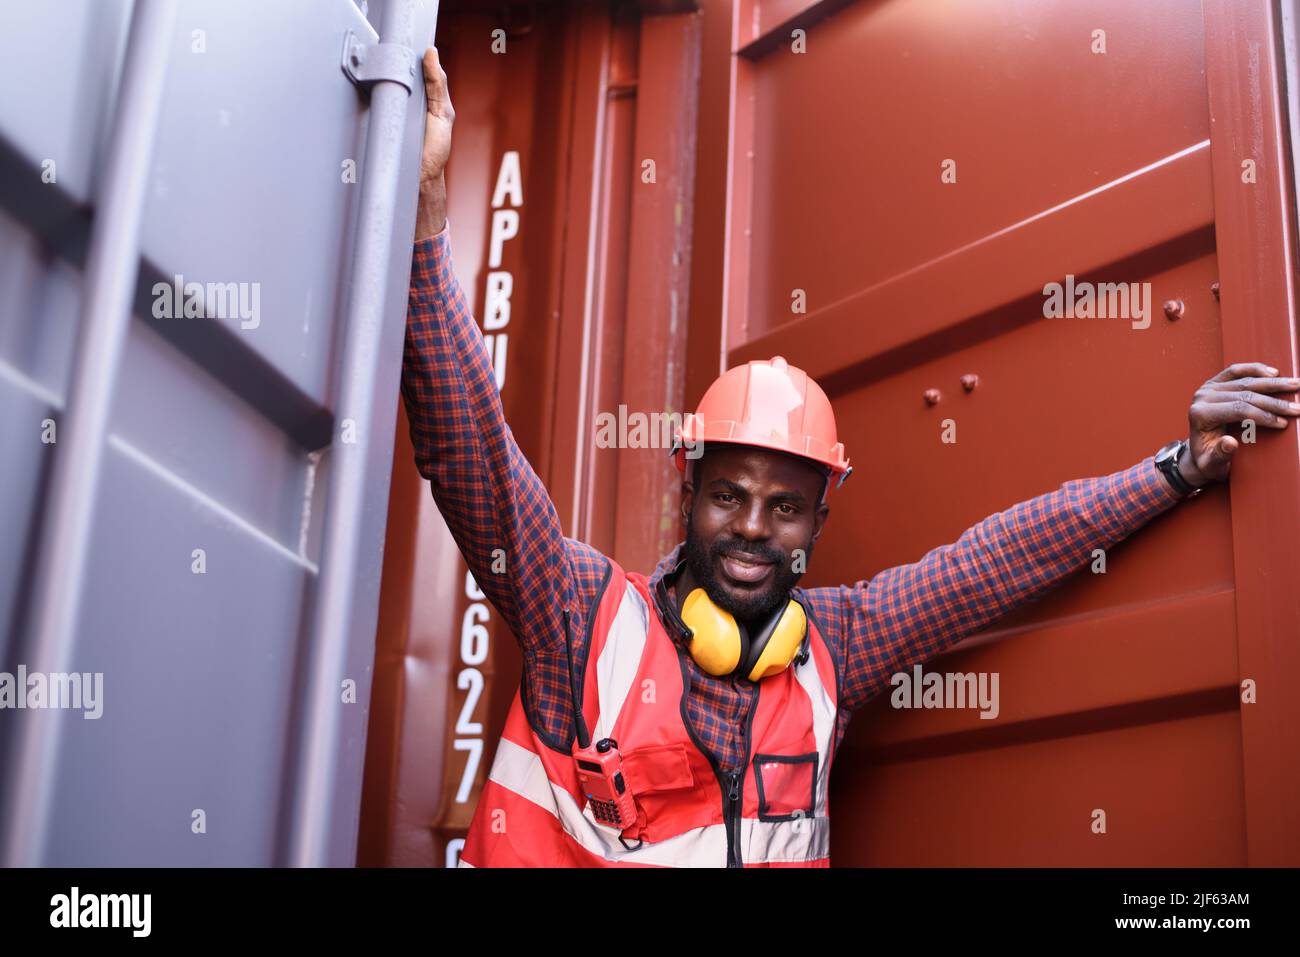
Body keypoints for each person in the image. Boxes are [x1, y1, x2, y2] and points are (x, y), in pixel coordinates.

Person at [401, 48, 1300, 867]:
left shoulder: (835, 649)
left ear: (818, 518)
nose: (752, 527)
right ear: (689, 492)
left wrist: (1175, 468)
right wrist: (426, 231)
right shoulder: (581, 617)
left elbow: (995, 560)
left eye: (784, 505)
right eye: (729, 494)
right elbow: (472, 456)